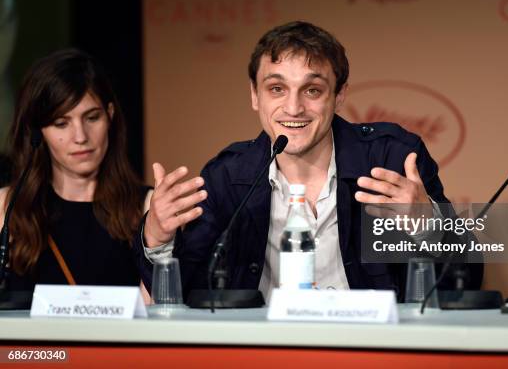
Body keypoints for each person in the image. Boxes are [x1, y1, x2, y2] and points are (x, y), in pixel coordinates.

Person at [137, 21, 482, 300]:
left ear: (339, 95)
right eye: (276, 89)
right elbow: (187, 296)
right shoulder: (228, 176)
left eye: (312, 90)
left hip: (374, 350)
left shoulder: (391, 158)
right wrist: (157, 240)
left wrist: (430, 226)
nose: (293, 108)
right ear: (255, 96)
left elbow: (467, 278)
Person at [0, 49, 149, 291]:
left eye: (92, 118)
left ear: (110, 116)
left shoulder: (147, 207)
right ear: (38, 132)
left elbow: (160, 317)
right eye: (61, 123)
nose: (80, 137)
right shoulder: (6, 208)